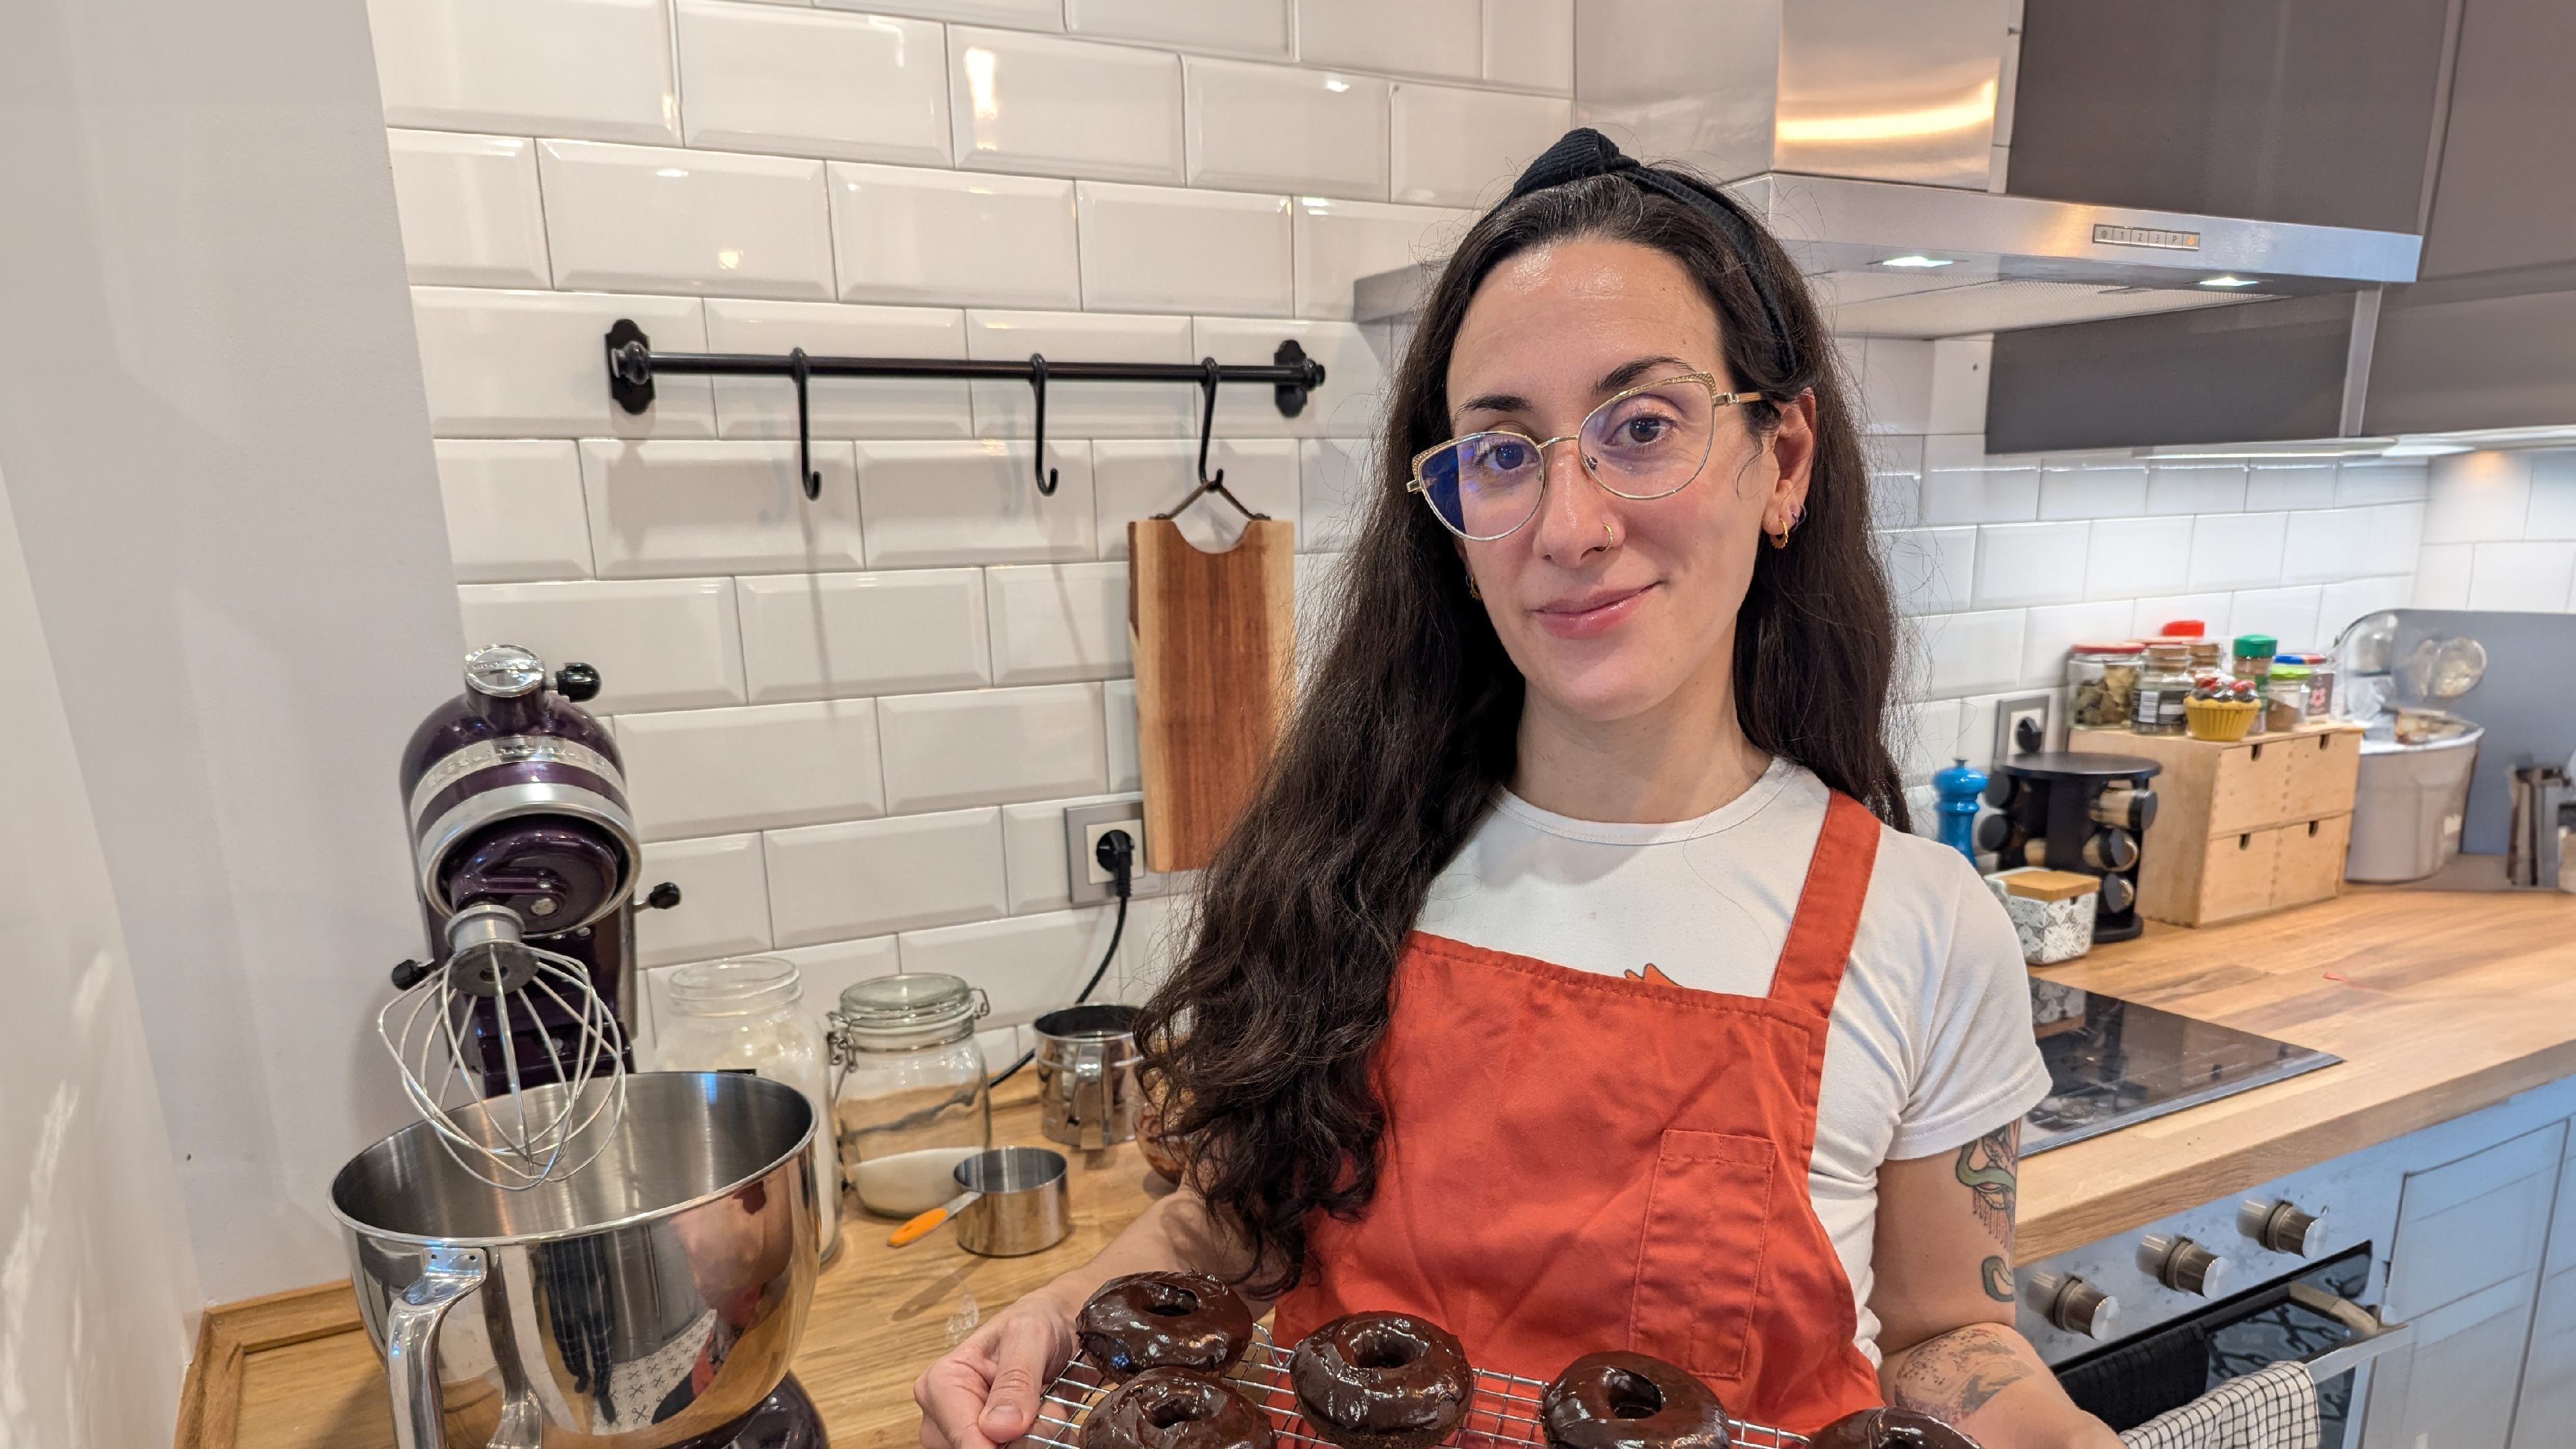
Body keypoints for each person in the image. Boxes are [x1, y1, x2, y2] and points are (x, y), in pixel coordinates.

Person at [915, 130, 2119, 1449]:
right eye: (1500, 453)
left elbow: (1946, 1332)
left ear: (1781, 461)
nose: (1568, 527)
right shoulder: (1343, 862)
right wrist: (1061, 1308)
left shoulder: (1923, 923)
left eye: (1642, 428)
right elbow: (1234, 1224)